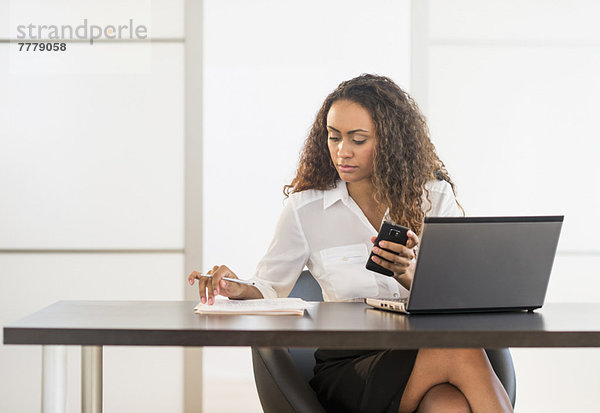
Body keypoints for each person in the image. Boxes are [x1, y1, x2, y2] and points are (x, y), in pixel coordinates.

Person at [188, 74, 513, 413]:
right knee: (459, 349)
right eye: (334, 137)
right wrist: (237, 288)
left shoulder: (432, 197)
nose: (342, 152)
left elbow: (460, 297)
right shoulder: (306, 209)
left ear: (390, 142)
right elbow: (270, 287)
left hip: (422, 349)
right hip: (351, 366)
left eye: (358, 140)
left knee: (448, 405)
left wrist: (410, 274)